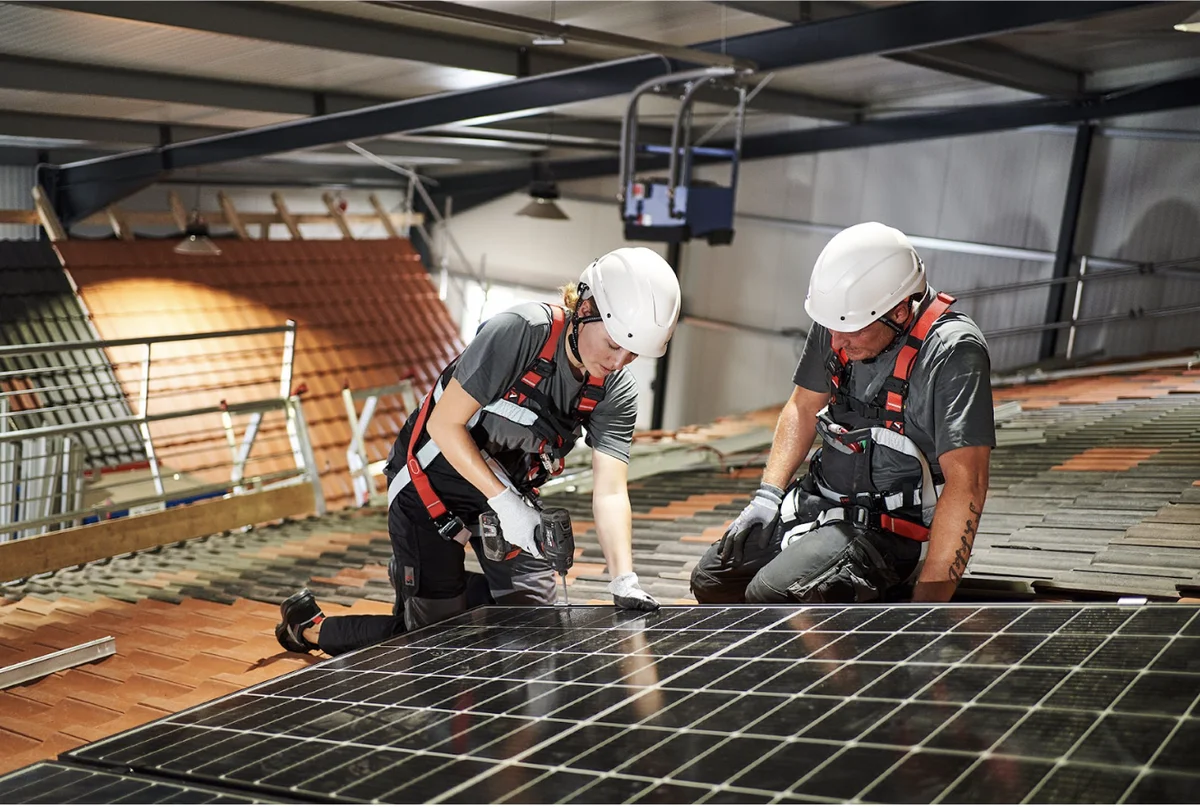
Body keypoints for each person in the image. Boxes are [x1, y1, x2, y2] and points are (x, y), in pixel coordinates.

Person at [277, 246, 682, 655]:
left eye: (633, 353)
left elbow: (611, 490)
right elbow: (444, 424)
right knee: (435, 644)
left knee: (535, 632)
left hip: (507, 499)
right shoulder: (520, 332)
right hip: (430, 488)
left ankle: (440, 586)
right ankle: (310, 627)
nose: (619, 361)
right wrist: (506, 505)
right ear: (586, 307)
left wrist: (623, 579)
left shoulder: (615, 390)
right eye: (613, 344)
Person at [690, 222, 994, 605]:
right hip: (822, 503)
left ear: (899, 312)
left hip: (891, 531)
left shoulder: (952, 353)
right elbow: (802, 406)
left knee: (770, 597)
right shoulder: (842, 320)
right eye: (830, 328)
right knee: (712, 582)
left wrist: (927, 610)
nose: (835, 342)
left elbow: (968, 483)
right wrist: (768, 496)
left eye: (850, 332)